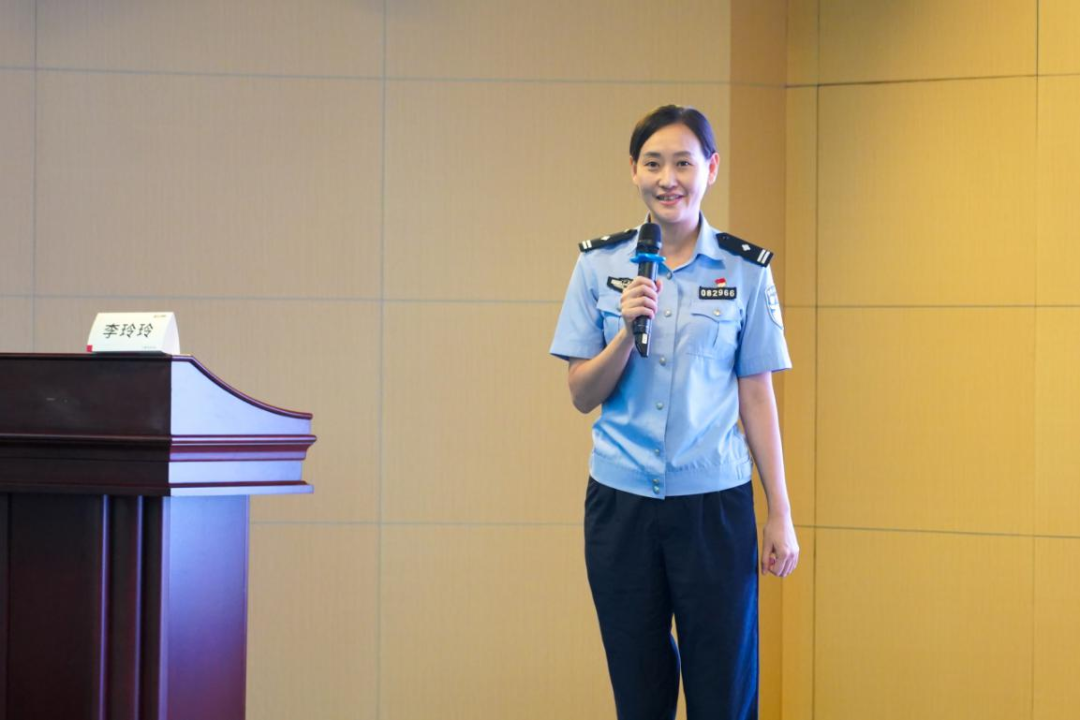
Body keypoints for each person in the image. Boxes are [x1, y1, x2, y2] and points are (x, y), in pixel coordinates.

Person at [549, 105, 799, 720]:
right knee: (639, 693)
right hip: (621, 505)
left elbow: (757, 395)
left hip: (714, 506)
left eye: (683, 163)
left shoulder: (745, 271)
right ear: (633, 171)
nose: (669, 179)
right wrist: (624, 332)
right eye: (653, 163)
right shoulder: (599, 265)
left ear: (710, 169)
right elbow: (581, 393)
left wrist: (781, 512)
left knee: (724, 693)